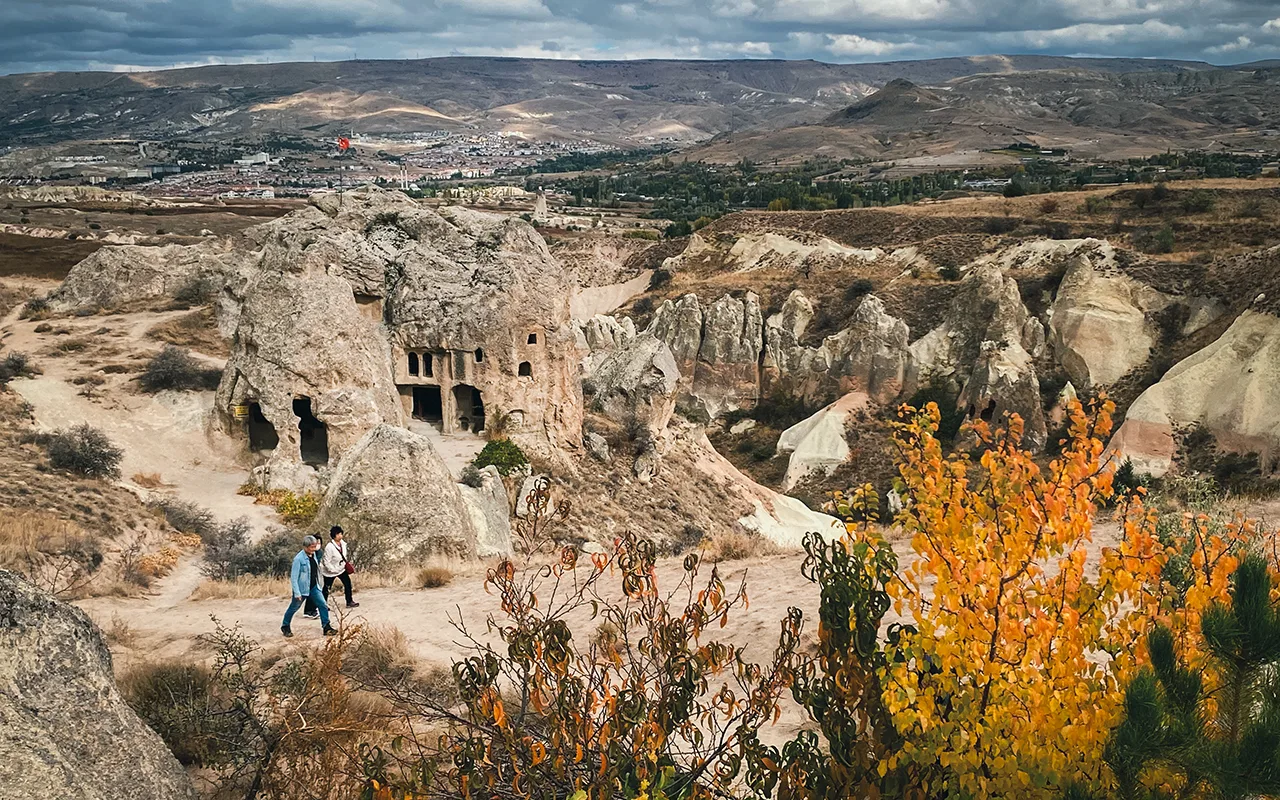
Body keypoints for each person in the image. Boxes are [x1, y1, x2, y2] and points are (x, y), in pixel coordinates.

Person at [282, 534, 336, 638]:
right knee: (294, 608)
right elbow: (294, 577)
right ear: (305, 547)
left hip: (314, 587)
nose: (314, 548)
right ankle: (285, 626)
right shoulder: (298, 559)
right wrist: (297, 592)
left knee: (323, 605)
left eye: (314, 546)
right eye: (312, 547)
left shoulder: (314, 554)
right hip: (302, 589)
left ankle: (326, 627)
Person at [320, 525, 359, 608]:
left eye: (341, 533)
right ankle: (323, 605)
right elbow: (326, 561)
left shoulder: (343, 544)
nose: (340, 536)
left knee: (347, 583)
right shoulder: (329, 547)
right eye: (338, 534)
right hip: (330, 571)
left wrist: (343, 565)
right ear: (334, 535)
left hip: (341, 568)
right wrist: (332, 570)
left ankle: (349, 601)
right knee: (327, 588)